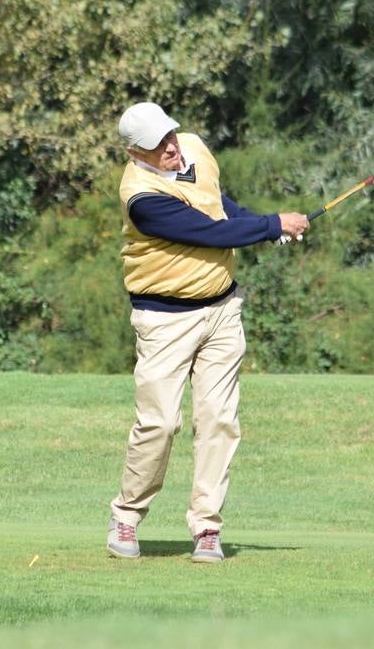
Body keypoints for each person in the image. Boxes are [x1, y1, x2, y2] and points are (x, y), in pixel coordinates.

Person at [106, 101, 309, 563]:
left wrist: (261, 223)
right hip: (164, 320)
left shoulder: (194, 148)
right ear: (137, 152)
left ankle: (207, 528)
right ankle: (127, 515)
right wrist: (272, 224)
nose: (172, 147)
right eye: (159, 145)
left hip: (221, 311)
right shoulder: (141, 197)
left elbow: (219, 205)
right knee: (160, 423)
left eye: (171, 135)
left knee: (218, 419)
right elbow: (209, 231)